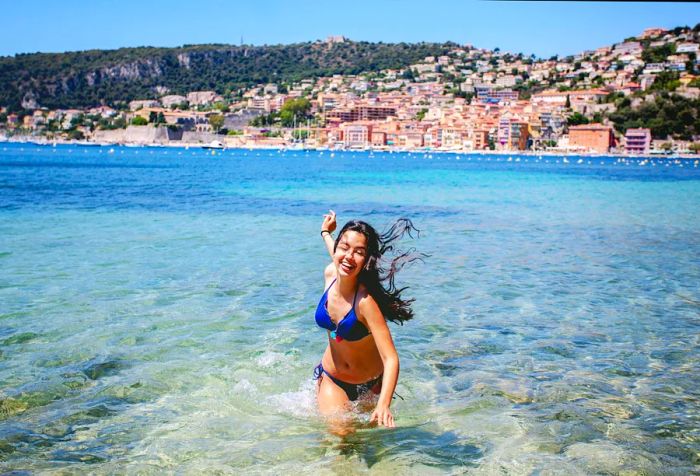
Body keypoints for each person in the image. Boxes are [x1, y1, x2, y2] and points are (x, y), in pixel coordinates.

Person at [314, 210, 420, 428]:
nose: (349, 256)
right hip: (333, 377)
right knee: (340, 436)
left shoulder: (365, 303)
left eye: (359, 252)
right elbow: (339, 256)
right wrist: (325, 232)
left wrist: (384, 404)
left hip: (370, 385)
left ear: (366, 260)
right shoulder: (331, 274)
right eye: (344, 247)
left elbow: (391, 359)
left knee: (367, 443)